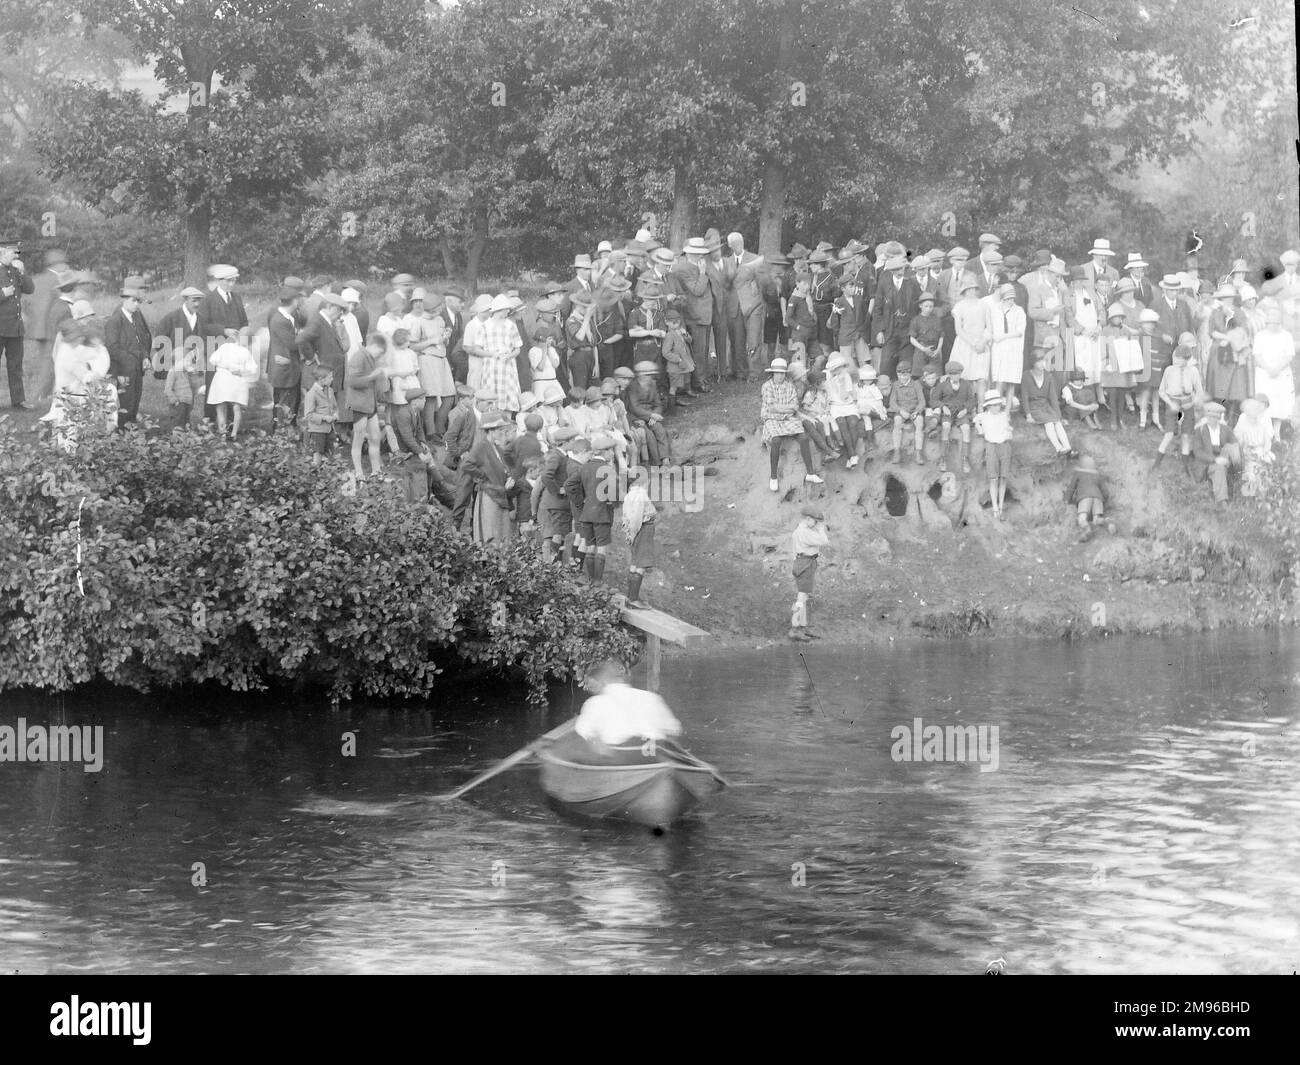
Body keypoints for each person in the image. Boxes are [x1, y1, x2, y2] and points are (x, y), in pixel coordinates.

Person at [571, 660, 683, 754]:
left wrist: (598, 747)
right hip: (654, 753)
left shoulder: (595, 703)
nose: (591, 689)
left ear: (603, 681)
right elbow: (674, 730)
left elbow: (583, 730)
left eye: (593, 685)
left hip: (622, 756)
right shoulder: (651, 697)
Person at [761, 358, 824, 491]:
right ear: (772, 374)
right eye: (777, 373)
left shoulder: (789, 386)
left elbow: (794, 406)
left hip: (788, 418)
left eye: (782, 373)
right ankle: (773, 477)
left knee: (803, 437)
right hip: (772, 418)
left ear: (785, 374)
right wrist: (786, 408)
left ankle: (810, 473)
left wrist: (784, 408)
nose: (779, 376)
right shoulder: (767, 386)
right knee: (776, 440)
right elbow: (771, 407)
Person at [103, 277, 154, 428]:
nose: (137, 305)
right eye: (134, 301)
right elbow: (112, 348)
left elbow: (142, 338)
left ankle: (131, 429)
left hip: (137, 368)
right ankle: (121, 432)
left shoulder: (136, 315)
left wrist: (145, 356)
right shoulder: (115, 320)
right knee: (125, 401)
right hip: (123, 370)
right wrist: (133, 358)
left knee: (135, 399)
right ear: (125, 299)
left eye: (139, 301)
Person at [1151, 335, 1204, 477]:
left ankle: (1185, 467)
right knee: (1169, 434)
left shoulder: (1193, 371)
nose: (1176, 361)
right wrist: (1170, 403)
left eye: (1180, 359)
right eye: (1175, 358)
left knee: (1186, 436)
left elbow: (1199, 392)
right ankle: (1156, 464)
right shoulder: (1169, 370)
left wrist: (1191, 403)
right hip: (1172, 404)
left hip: (1187, 404)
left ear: (1187, 360)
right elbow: (1161, 391)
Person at [462, 409, 518, 544]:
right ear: (491, 430)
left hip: (500, 493)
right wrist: (483, 475)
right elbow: (466, 465)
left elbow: (503, 467)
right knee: (491, 531)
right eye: (499, 430)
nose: (501, 433)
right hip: (489, 494)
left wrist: (508, 477)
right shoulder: (481, 446)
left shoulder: (496, 447)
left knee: (502, 532)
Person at [566, 433, 617, 581]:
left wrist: (580, 502)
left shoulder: (584, 467)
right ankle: (597, 582)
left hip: (586, 513)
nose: (613, 453)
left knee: (590, 546)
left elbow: (569, 485)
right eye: (611, 450)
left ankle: (590, 580)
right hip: (602, 514)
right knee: (601, 548)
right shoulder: (608, 469)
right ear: (605, 452)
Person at [345, 332, 389, 479]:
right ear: (374, 346)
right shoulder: (358, 357)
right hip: (358, 404)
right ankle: (359, 473)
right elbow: (352, 382)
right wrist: (372, 376)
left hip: (370, 405)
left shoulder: (371, 358)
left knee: (375, 437)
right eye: (380, 352)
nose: (380, 355)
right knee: (358, 439)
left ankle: (376, 472)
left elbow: (377, 383)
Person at [723, 232, 765, 381]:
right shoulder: (726, 262)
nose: (736, 245)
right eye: (733, 243)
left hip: (753, 305)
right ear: (729, 245)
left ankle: (754, 373)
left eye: (738, 242)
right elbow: (725, 285)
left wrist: (759, 296)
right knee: (737, 341)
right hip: (734, 306)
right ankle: (740, 371)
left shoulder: (754, 259)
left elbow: (762, 281)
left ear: (742, 242)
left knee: (753, 339)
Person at [0, 237, 36, 408]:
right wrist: (2, 294)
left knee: (15, 366)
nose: (16, 256)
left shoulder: (14, 270)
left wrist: (23, 271)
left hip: (15, 328)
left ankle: (18, 401)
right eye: (14, 253)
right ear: (3, 252)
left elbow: (30, 289)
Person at [265, 284, 303, 431]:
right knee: (283, 403)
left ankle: (285, 432)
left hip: (289, 368)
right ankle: (281, 435)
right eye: (297, 299)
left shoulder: (288, 317)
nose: (299, 302)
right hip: (284, 370)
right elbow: (293, 344)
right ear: (293, 301)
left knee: (290, 402)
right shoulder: (279, 320)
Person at [789, 505, 829, 642]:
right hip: (805, 563)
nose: (816, 524)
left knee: (803, 596)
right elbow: (824, 541)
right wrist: (821, 529)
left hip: (802, 562)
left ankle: (802, 627)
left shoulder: (799, 530)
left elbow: (794, 552)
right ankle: (794, 629)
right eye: (815, 521)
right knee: (801, 597)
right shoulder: (805, 533)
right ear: (808, 519)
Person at [1021, 349, 1073, 456]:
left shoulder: (1049, 376)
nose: (1042, 364)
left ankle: (1068, 448)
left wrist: (1059, 416)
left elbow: (1053, 398)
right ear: (1033, 362)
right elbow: (1024, 396)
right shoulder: (1026, 375)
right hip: (1034, 406)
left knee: (1057, 422)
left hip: (1046, 406)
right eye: (1039, 361)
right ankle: (1058, 448)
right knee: (1049, 423)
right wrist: (1028, 415)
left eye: (1044, 361)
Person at [1251, 307, 1294, 433]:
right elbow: (1257, 355)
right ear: (1266, 323)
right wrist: (1269, 369)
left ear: (1280, 323)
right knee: (1264, 401)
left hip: (1281, 373)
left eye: (1276, 323)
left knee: (1280, 403)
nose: (1273, 326)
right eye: (1270, 323)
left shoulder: (1286, 336)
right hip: (1265, 373)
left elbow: (1289, 355)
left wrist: (1277, 368)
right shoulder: (1260, 336)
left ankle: (1277, 432)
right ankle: (1264, 432)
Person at [1190, 400, 1241, 507]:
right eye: (1209, 417)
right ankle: (1222, 501)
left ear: (1218, 418)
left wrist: (1232, 452)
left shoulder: (1225, 429)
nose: (1212, 420)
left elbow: (1234, 442)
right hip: (1207, 462)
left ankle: (1237, 469)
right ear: (1206, 417)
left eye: (1215, 417)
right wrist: (1215, 460)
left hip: (1224, 457)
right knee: (1219, 468)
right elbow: (1198, 452)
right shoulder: (1200, 431)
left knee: (1230, 446)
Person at [207, 338, 259, 440]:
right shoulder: (246, 352)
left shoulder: (225, 347)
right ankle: (233, 434)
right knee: (236, 407)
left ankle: (222, 434)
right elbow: (253, 369)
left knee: (221, 407)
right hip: (237, 380)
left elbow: (212, 360)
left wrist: (224, 365)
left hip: (222, 379)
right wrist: (241, 371)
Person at [621, 466, 657, 608]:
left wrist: (629, 533)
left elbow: (627, 517)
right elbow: (636, 518)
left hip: (636, 530)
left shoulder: (630, 494)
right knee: (642, 563)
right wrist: (633, 533)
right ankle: (633, 600)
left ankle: (630, 597)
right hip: (643, 529)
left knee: (635, 563)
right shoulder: (639, 494)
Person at [931, 359, 976, 473]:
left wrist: (966, 410)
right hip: (948, 412)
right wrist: (943, 407)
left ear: (960, 374)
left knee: (966, 429)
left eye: (957, 374)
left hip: (961, 412)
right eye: (952, 374)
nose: (955, 377)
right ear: (949, 374)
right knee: (946, 426)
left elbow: (971, 400)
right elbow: (934, 400)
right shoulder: (942, 385)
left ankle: (965, 459)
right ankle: (943, 459)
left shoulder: (966, 385)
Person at [974, 389, 1013, 520]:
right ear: (989, 406)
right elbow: (976, 420)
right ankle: (995, 508)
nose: (997, 407)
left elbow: (1009, 430)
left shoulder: (1003, 415)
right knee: (993, 479)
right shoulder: (983, 416)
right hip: (991, 447)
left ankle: (1001, 507)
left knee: (1003, 478)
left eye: (998, 404)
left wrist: (1009, 432)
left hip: (1004, 446)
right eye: (994, 405)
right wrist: (979, 428)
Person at [989, 282, 1027, 404]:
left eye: (1012, 298)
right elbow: (991, 328)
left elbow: (1019, 331)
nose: (1011, 301)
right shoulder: (995, 309)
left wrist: (1003, 337)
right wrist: (996, 337)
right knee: (999, 379)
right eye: (1008, 298)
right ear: (1003, 298)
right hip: (999, 349)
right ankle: (997, 407)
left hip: (1013, 348)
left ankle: (1007, 411)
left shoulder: (1019, 311)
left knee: (1011, 380)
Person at [951, 279, 991, 392]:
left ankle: (980, 406)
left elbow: (989, 328)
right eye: (968, 289)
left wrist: (982, 342)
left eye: (973, 289)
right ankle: (969, 406)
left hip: (981, 345)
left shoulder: (984, 304)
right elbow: (958, 329)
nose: (971, 291)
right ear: (964, 291)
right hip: (965, 344)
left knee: (981, 377)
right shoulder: (959, 306)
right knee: (965, 377)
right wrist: (973, 343)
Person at [825, 354, 864, 468]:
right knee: (842, 423)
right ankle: (852, 455)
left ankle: (850, 457)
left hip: (848, 404)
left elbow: (845, 397)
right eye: (837, 368)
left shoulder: (846, 376)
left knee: (853, 423)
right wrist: (835, 381)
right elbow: (830, 395)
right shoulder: (827, 377)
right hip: (835, 406)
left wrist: (842, 383)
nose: (839, 370)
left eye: (841, 367)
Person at [1234, 394, 1274, 498]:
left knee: (1264, 466)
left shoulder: (1265, 419)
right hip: (1246, 449)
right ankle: (1250, 493)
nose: (1261, 407)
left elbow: (1267, 438)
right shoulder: (1243, 417)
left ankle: (1263, 493)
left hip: (1260, 448)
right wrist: (1243, 448)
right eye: (1259, 404)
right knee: (1250, 469)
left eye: (1264, 406)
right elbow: (1238, 435)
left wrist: (1266, 451)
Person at [1062, 454, 1109, 541]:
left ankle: (1086, 528)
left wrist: (1067, 500)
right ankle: (1106, 521)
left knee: (1082, 519)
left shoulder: (1078, 474)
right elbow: (1105, 492)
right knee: (1096, 519)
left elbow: (1071, 488)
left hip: (1085, 497)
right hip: (1098, 498)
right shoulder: (1097, 476)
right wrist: (1105, 499)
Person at [163, 335, 205, 430]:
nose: (189, 363)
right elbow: (167, 389)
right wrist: (175, 400)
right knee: (178, 422)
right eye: (186, 361)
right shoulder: (173, 372)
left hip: (187, 402)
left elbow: (192, 386)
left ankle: (184, 439)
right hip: (178, 402)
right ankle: (176, 439)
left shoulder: (186, 373)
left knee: (186, 421)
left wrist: (193, 376)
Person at [889, 361, 927, 464]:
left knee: (919, 423)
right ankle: (897, 452)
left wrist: (917, 411)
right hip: (902, 411)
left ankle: (918, 453)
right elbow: (892, 402)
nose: (902, 377)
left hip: (914, 410)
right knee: (897, 423)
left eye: (905, 375)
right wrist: (900, 411)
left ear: (909, 374)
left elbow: (922, 401)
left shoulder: (916, 385)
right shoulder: (895, 385)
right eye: (900, 375)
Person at [302, 363, 339, 465]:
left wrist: (335, 414)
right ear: (321, 379)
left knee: (331, 453)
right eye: (330, 377)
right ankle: (316, 473)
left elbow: (335, 407)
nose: (332, 379)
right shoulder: (311, 394)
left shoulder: (330, 390)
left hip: (329, 429)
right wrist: (324, 418)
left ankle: (329, 474)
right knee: (317, 454)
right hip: (317, 431)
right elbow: (308, 415)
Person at [661, 309, 695, 406]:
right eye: (673, 323)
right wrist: (678, 359)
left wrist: (685, 334)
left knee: (679, 384)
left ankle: (676, 401)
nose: (676, 325)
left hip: (682, 365)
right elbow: (665, 353)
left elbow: (690, 341)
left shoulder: (679, 331)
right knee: (673, 386)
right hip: (675, 367)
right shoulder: (669, 335)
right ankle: (671, 406)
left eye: (678, 322)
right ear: (666, 322)